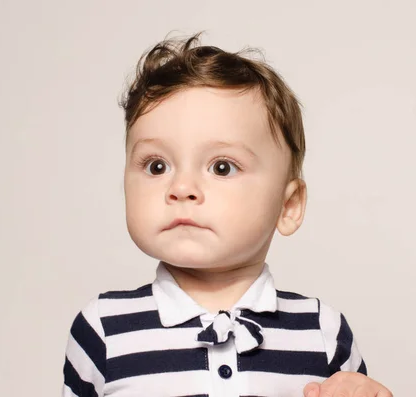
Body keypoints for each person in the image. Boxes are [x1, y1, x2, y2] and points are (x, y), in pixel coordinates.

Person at [62, 33, 393, 397]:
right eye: (157, 166)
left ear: (288, 206)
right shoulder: (104, 330)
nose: (182, 187)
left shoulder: (323, 333)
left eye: (221, 167)